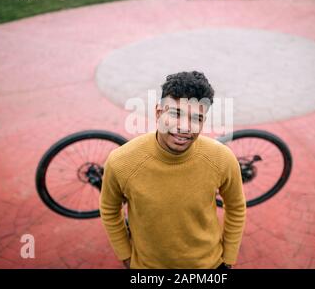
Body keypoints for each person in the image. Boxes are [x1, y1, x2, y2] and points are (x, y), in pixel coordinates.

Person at [100, 71, 246, 269]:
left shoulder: (222, 159)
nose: (184, 127)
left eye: (196, 118)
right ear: (159, 113)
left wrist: (229, 258)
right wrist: (125, 254)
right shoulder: (121, 162)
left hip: (209, 266)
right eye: (175, 114)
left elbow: (236, 207)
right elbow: (109, 209)